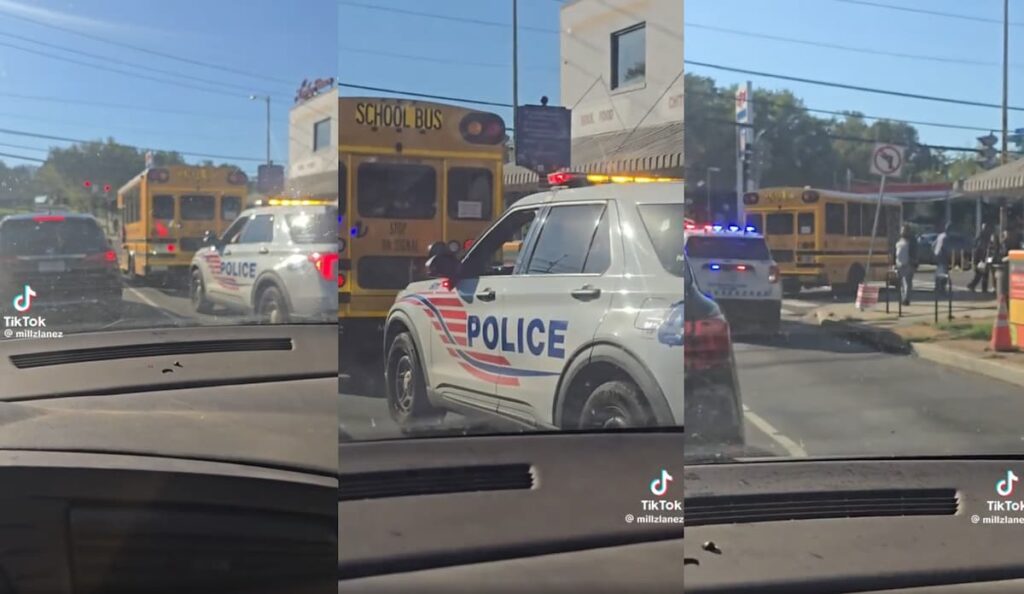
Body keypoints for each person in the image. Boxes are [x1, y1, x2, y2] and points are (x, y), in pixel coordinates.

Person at [967, 222, 993, 293]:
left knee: (984, 274)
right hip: (980, 258)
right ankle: (972, 285)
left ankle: (983, 289)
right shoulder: (981, 238)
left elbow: (989, 249)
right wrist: (977, 260)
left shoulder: (987, 238)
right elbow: (978, 249)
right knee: (980, 274)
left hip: (985, 257)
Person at [894, 225, 915, 305]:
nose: (902, 232)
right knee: (902, 283)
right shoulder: (900, 240)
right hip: (899, 264)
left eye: (904, 230)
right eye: (902, 230)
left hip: (908, 264)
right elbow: (895, 252)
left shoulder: (912, 240)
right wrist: (894, 263)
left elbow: (914, 252)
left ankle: (906, 300)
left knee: (907, 282)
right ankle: (903, 298)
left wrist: (913, 262)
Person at [933, 222, 953, 294]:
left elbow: (933, 244)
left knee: (939, 270)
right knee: (944, 272)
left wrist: (935, 251)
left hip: (937, 255)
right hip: (943, 255)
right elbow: (946, 248)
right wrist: (949, 256)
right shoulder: (946, 237)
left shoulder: (940, 235)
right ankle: (941, 288)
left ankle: (937, 286)